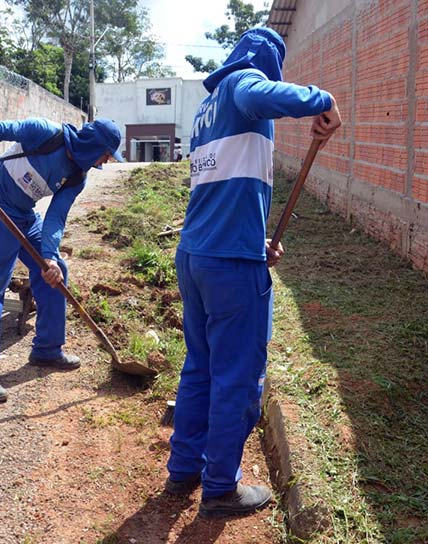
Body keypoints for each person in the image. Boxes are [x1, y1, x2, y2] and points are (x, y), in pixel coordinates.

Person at [165, 28, 341, 518]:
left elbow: (226, 187)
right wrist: (322, 99)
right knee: (237, 379)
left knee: (199, 366)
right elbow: (259, 91)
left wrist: (254, 241)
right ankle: (220, 487)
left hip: (198, 254)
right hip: (229, 267)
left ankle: (183, 471)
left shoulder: (207, 111)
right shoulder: (244, 84)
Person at [0, 117, 124, 403]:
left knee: (56, 272)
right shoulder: (46, 133)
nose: (103, 162)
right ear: (93, 146)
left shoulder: (77, 176)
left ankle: (47, 349)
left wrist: (49, 257)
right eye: (105, 155)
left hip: (24, 215)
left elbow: (56, 218)